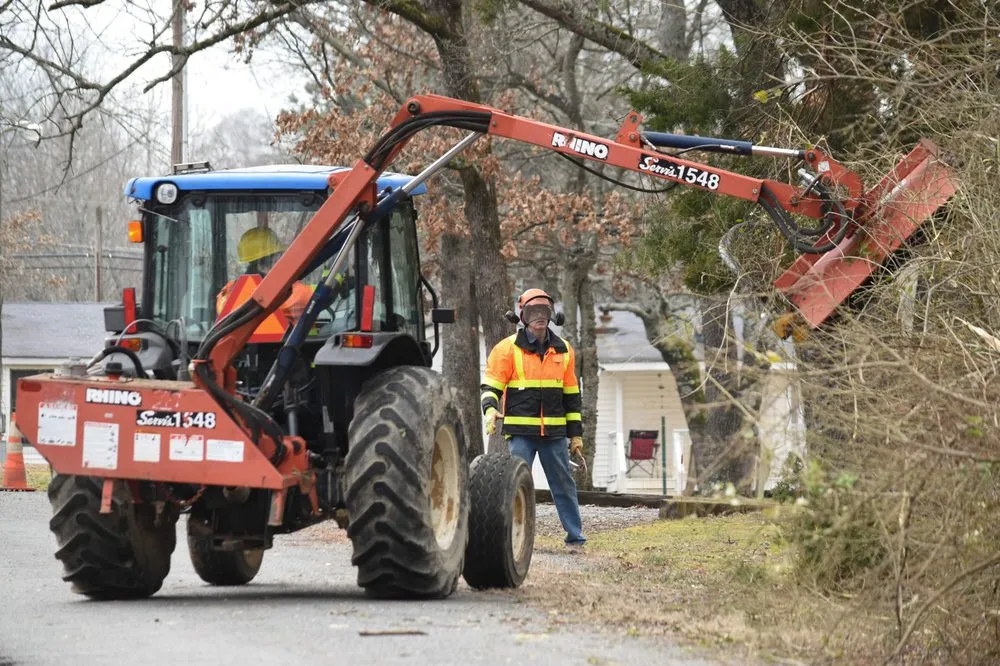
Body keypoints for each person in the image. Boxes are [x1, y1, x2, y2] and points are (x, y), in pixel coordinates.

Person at [481, 288, 586, 552]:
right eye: (533, 312)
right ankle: (511, 536)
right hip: (520, 433)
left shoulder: (564, 351)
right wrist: (490, 411)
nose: (539, 317)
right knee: (515, 485)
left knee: (563, 483)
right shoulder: (507, 350)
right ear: (522, 316)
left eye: (544, 312)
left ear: (552, 316)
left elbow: (572, 397)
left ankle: (575, 537)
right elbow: (491, 387)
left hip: (554, 434)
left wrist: (575, 435)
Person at [216, 227, 313, 322]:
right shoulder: (295, 294)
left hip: (239, 338)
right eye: (278, 257)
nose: (282, 261)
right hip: (293, 338)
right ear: (262, 266)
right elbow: (306, 297)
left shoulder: (229, 294)